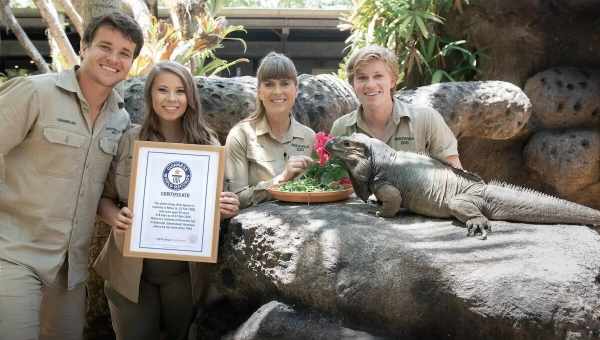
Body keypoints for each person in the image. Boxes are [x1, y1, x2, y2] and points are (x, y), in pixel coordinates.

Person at [0, 13, 144, 340]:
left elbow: (97, 189)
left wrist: (116, 216)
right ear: (83, 47)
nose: (113, 58)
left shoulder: (120, 119)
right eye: (105, 47)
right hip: (13, 256)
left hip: (70, 270)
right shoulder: (35, 93)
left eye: (124, 53)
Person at [93, 61, 240, 340]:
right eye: (163, 90)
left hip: (184, 274)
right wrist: (115, 217)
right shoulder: (130, 139)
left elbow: (213, 208)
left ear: (190, 97)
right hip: (130, 271)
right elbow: (104, 198)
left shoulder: (206, 143)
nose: (171, 99)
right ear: (150, 95)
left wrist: (224, 208)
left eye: (180, 91)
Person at [330, 45, 462, 168]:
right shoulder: (341, 128)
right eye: (362, 78)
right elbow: (334, 181)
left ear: (393, 80)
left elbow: (456, 177)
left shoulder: (427, 119)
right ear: (353, 84)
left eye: (378, 76)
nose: (370, 84)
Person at [225, 52, 316, 209]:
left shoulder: (310, 137)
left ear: (296, 89)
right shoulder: (240, 135)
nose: (277, 91)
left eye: (285, 83)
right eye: (269, 84)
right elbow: (236, 199)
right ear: (259, 91)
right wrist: (280, 179)